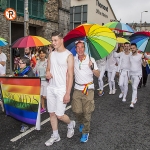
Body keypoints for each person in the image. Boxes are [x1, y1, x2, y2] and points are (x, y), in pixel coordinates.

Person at [45, 32, 75, 146]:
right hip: (51, 87)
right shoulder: (51, 54)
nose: (53, 43)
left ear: (62, 40)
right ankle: (55, 135)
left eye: (55, 40)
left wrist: (67, 93)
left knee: (60, 115)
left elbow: (70, 76)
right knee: (51, 113)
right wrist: (48, 73)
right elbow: (48, 68)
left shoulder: (69, 56)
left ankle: (71, 123)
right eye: (52, 40)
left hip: (62, 89)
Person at [72, 40, 100, 142]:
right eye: (78, 47)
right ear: (75, 49)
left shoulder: (90, 59)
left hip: (89, 89)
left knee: (87, 112)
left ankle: (85, 132)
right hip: (77, 89)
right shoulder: (73, 59)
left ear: (85, 48)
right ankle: (81, 122)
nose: (80, 49)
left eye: (82, 47)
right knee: (76, 110)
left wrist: (92, 67)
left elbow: (98, 74)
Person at [129, 43, 145, 108]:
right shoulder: (130, 56)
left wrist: (143, 59)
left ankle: (132, 103)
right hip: (131, 74)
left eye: (133, 48)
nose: (132, 49)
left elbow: (144, 65)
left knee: (135, 87)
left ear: (136, 48)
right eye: (131, 48)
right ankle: (135, 98)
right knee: (133, 87)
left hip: (138, 74)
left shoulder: (140, 55)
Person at [34, 49, 48, 114]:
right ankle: (43, 108)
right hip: (39, 80)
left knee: (45, 96)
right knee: (41, 95)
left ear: (45, 54)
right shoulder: (38, 62)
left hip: (46, 81)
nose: (42, 54)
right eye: (40, 53)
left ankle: (53, 105)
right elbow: (34, 70)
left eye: (43, 53)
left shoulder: (48, 61)